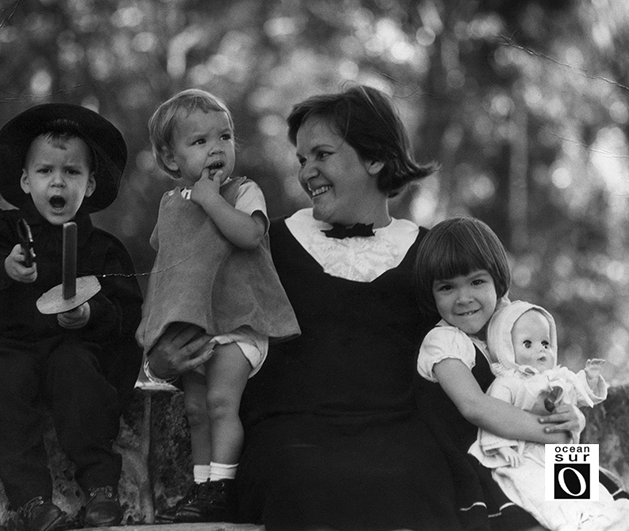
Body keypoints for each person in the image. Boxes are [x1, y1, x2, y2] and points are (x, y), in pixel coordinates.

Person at [147, 83, 462, 531]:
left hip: (400, 439)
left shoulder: (433, 253)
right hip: (290, 442)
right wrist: (161, 361)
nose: (307, 171)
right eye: (302, 159)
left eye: (322, 154)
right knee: (306, 481)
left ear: (375, 159)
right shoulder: (261, 242)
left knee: (422, 482)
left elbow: (491, 335)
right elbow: (192, 307)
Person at [0, 104, 143, 531]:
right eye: (45, 171)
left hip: (72, 348)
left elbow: (125, 311)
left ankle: (101, 487)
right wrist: (6, 270)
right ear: (26, 181)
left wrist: (89, 313)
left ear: (91, 183)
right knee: (3, 385)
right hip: (12, 348)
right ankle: (33, 501)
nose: (58, 181)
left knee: (79, 372)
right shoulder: (2, 232)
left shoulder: (104, 248)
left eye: (72, 172)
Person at [138, 89, 300, 523]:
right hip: (196, 324)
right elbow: (168, 257)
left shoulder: (242, 190)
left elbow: (249, 235)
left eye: (224, 137)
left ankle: (223, 486)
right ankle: (202, 487)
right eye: (199, 141)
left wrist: (211, 199)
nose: (216, 148)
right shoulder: (171, 203)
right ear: (172, 161)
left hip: (239, 321)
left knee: (221, 403)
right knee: (195, 409)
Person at [414, 216, 629, 530]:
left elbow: (545, 384)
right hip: (491, 459)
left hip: (543, 453)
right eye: (447, 287)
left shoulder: (514, 327)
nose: (464, 298)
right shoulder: (444, 341)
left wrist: (568, 419)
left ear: (497, 282)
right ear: (431, 294)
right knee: (540, 520)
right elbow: (475, 406)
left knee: (605, 512)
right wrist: (552, 433)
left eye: (476, 282)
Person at [468, 300, 629, 530]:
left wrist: (591, 379)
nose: (541, 349)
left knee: (594, 500)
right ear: (506, 349)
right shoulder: (509, 383)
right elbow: (494, 415)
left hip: (563, 451)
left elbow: (583, 395)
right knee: (544, 498)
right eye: (528, 343)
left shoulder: (559, 376)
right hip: (525, 452)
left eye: (545, 342)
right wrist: (501, 447)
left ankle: (604, 520)